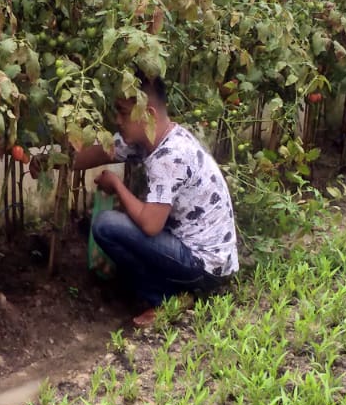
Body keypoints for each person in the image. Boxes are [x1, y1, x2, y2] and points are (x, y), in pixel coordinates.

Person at [72, 75, 238, 326]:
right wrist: (44, 158)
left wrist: (117, 185)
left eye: (123, 113)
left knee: (107, 225)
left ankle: (165, 298)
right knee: (124, 218)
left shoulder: (170, 156)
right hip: (207, 256)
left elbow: (151, 225)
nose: (117, 120)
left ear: (148, 114)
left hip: (205, 264)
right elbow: (86, 156)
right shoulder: (151, 140)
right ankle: (179, 291)